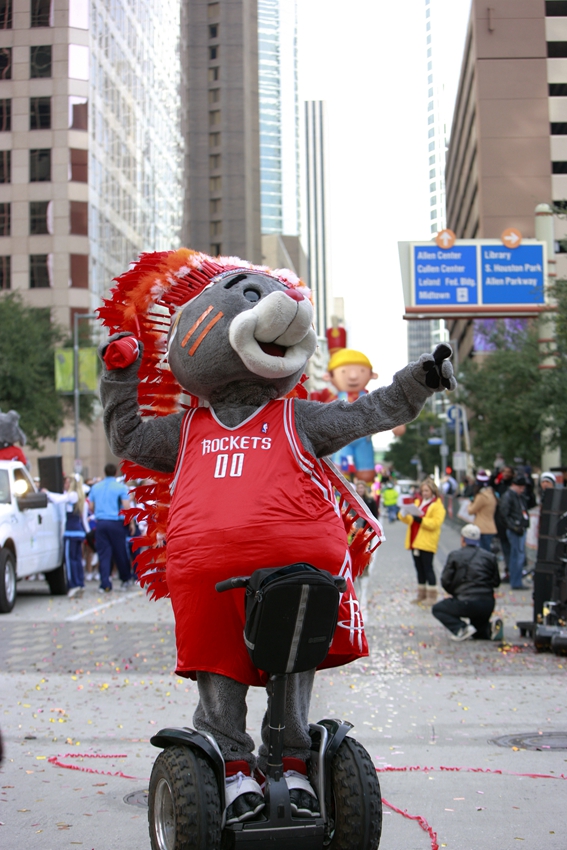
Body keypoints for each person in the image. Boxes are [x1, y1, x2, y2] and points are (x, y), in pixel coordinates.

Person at [432, 523, 502, 641]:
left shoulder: (455, 555)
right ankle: (488, 629)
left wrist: (456, 593)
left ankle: (461, 628)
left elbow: (445, 581)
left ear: (463, 539)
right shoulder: (490, 557)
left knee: (438, 609)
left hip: (465, 602)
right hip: (487, 604)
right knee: (477, 632)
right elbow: (496, 582)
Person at [399, 477, 446, 604]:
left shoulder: (437, 505)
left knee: (428, 568)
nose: (424, 493)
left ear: (433, 491)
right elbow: (410, 520)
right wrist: (403, 514)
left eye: (427, 490)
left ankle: (432, 596)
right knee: (419, 569)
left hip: (426, 541)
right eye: (423, 491)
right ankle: (421, 594)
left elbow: (435, 523)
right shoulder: (419, 502)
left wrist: (420, 519)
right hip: (415, 540)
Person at [88, 463, 132, 592]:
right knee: (120, 552)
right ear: (116, 473)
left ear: (104, 472)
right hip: (116, 522)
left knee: (104, 554)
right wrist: (131, 523)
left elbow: (90, 506)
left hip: (101, 522)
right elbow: (126, 506)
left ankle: (105, 583)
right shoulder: (120, 487)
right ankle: (125, 579)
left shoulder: (96, 487)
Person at [45, 474, 90, 598]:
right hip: (79, 532)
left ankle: (73, 584)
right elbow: (84, 520)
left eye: (67, 482)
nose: (65, 484)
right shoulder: (82, 499)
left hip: (70, 532)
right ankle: (80, 583)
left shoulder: (72, 495)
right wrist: (88, 533)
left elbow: (58, 499)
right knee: (77, 559)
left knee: (70, 560)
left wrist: (47, 493)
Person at [498, 475, 530, 590]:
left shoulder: (518, 496)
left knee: (518, 555)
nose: (522, 490)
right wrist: (514, 527)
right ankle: (516, 581)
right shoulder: (509, 496)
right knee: (516, 556)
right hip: (515, 530)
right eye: (520, 487)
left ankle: (516, 580)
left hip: (519, 528)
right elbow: (504, 514)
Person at [491, 465, 514, 577]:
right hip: (501, 523)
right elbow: (492, 484)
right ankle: (508, 571)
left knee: (512, 550)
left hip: (511, 524)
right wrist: (495, 473)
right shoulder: (500, 484)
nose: (505, 474)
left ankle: (511, 571)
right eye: (504, 471)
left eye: (508, 471)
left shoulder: (512, 487)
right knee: (505, 549)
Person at [467, 470, 497, 553]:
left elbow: (471, 510)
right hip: (490, 527)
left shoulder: (482, 496)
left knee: (482, 554)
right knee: (487, 553)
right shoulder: (491, 494)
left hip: (482, 528)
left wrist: (470, 503)